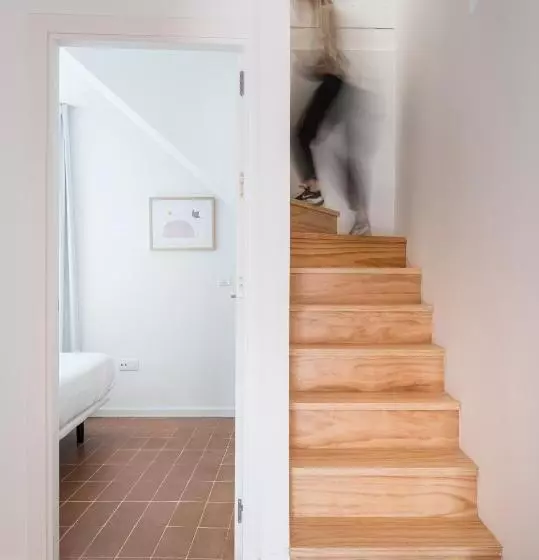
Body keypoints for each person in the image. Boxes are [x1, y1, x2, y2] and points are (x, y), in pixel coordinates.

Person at [293, 0, 371, 235]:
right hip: (338, 85)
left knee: (303, 135)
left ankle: (314, 189)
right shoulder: (324, 13)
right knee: (337, 152)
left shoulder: (325, 12)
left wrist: (307, 65)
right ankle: (360, 217)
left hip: (334, 84)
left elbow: (330, 58)